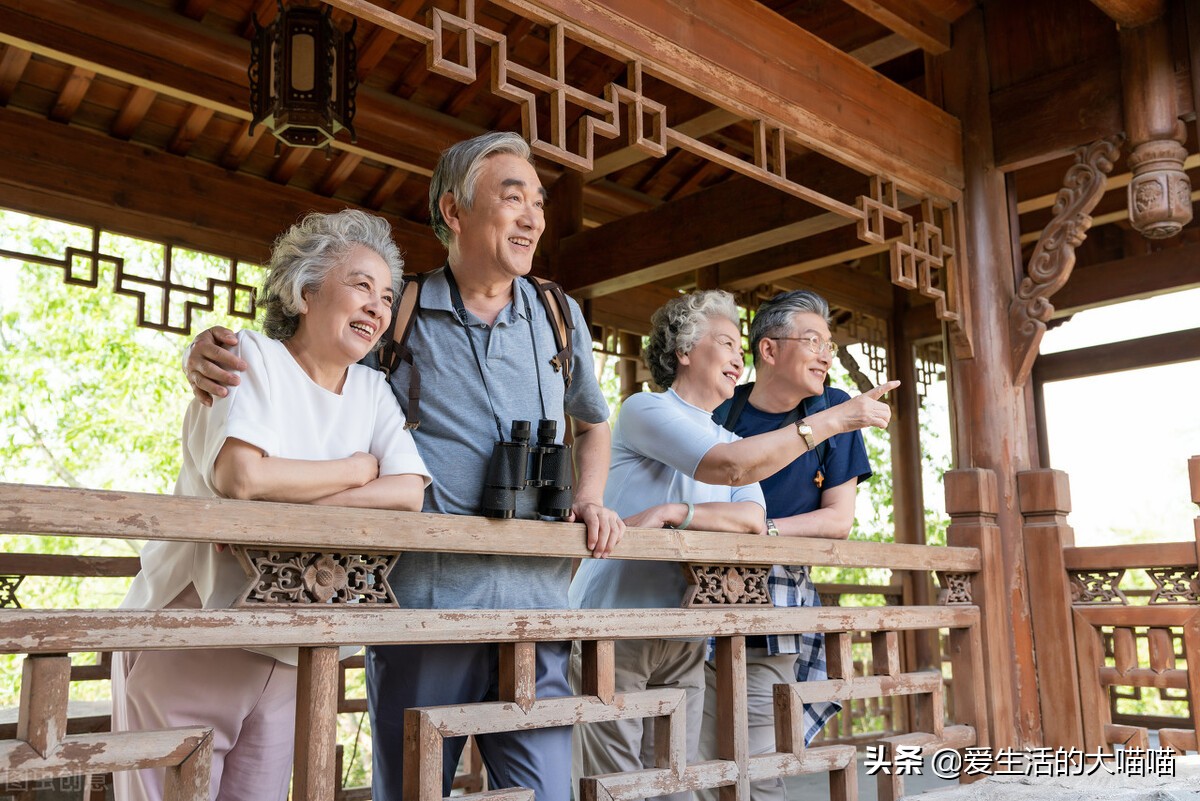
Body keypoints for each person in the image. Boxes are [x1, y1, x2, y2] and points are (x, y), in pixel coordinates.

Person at [183, 131, 623, 801]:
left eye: (539, 202)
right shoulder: (399, 312)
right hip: (421, 608)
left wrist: (589, 497)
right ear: (453, 210)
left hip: (539, 610)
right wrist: (207, 352)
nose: (534, 217)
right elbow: (299, 362)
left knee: (545, 794)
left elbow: (592, 424)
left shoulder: (559, 316)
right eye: (514, 198)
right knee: (413, 791)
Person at [112, 209, 432, 801]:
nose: (377, 307)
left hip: (295, 639)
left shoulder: (371, 390)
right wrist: (356, 470)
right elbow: (243, 476)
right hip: (201, 624)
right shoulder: (250, 356)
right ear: (306, 292)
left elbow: (409, 491)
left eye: (387, 297)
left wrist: (295, 497)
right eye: (361, 285)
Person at [570, 290, 896, 801]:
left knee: (677, 782)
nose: (738, 358)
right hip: (617, 621)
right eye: (725, 343)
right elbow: (729, 468)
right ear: (684, 350)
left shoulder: (727, 434)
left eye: (739, 346)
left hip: (686, 629)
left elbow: (752, 518)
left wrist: (679, 513)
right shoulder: (644, 409)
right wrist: (835, 419)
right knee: (615, 784)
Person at [698, 289, 890, 801]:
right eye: (812, 341)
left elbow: (838, 521)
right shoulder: (721, 409)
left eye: (829, 344)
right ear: (768, 349)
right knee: (695, 763)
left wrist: (762, 530)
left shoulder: (835, 407)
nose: (825, 355)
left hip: (776, 600)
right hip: (695, 593)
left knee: (761, 765)